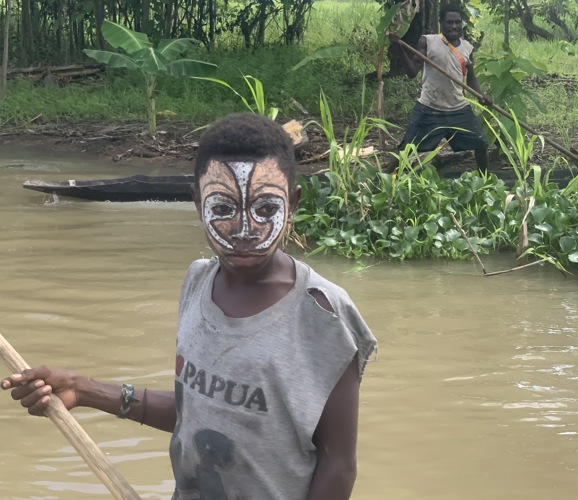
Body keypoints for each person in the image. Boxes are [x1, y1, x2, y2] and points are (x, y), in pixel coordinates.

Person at [2, 113, 378, 500]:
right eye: (223, 208)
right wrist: (83, 390)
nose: (245, 227)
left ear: (293, 203)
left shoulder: (324, 312)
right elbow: (197, 412)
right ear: (198, 204)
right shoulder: (197, 282)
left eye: (266, 209)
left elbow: (338, 463)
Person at [388, 3, 493, 173]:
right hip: (430, 108)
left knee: (480, 143)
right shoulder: (428, 42)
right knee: (407, 148)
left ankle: (486, 180)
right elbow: (412, 72)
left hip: (458, 108)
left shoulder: (467, 48)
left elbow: (471, 77)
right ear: (442, 23)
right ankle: (383, 179)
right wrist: (399, 48)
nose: (454, 26)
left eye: (457, 22)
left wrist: (482, 96)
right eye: (450, 22)